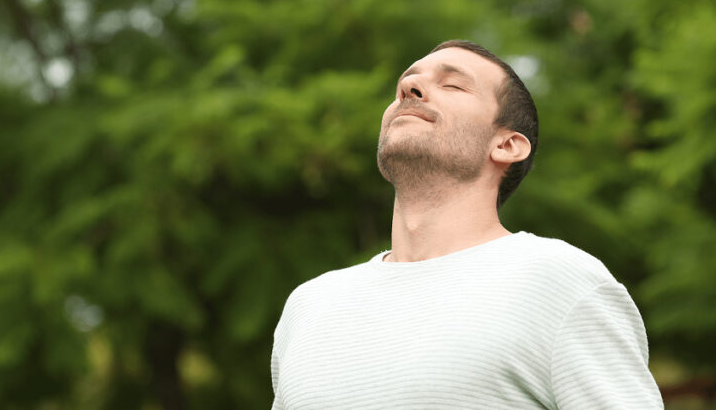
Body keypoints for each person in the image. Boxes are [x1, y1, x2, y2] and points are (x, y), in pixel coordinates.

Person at [270, 40, 664, 409]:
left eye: (453, 85)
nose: (411, 87)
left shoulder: (560, 281)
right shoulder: (310, 306)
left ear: (507, 145)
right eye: (407, 82)